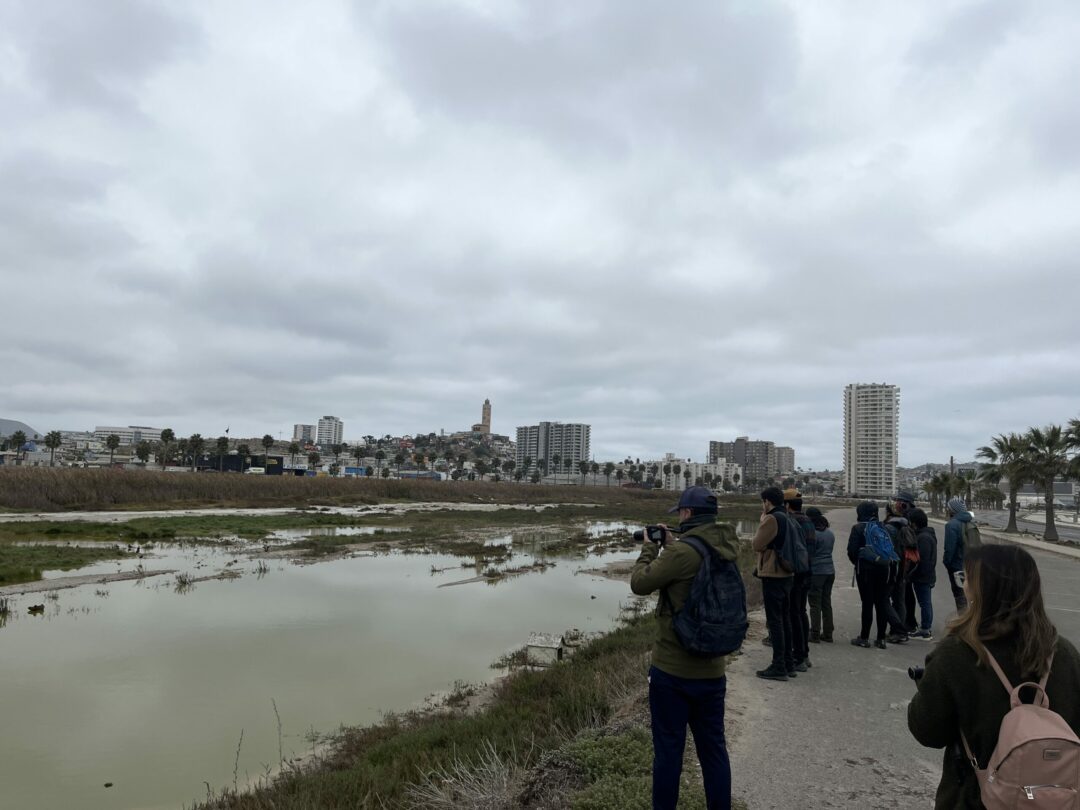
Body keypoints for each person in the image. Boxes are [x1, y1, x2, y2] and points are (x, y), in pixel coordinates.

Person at [908, 544, 1080, 808]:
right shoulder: (1064, 653)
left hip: (973, 797)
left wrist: (928, 685)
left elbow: (928, 732)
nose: (963, 586)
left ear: (981, 592)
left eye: (966, 579)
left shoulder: (957, 654)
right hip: (1052, 799)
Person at [630, 485, 741, 810]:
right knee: (714, 752)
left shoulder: (681, 554)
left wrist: (651, 549)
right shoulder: (726, 547)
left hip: (672, 672)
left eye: (680, 512)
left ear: (688, 514)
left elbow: (640, 584)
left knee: (668, 752)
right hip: (713, 671)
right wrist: (675, 544)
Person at [751, 486, 796, 681]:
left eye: (763, 502)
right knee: (785, 619)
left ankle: (778, 665)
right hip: (787, 574)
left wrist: (763, 518)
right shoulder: (786, 516)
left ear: (767, 501)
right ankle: (788, 663)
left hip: (773, 573)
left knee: (775, 621)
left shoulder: (771, 518)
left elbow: (756, 544)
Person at [847, 500, 891, 649]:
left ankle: (864, 637)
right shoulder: (883, 527)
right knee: (882, 603)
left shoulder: (858, 528)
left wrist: (858, 562)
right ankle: (881, 639)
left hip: (865, 570)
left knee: (867, 603)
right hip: (884, 569)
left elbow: (852, 551)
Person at [785, 488, 815, 670]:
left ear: (787, 505)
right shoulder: (808, 521)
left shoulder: (791, 522)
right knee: (801, 612)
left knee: (793, 614)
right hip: (808, 572)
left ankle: (798, 657)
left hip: (795, 574)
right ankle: (804, 653)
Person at [882, 495, 915, 643]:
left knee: (883, 600)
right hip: (903, 569)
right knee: (899, 601)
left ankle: (898, 631)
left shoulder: (889, 528)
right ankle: (899, 630)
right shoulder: (906, 525)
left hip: (892, 569)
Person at [805, 506, 835, 643]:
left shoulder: (813, 534)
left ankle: (815, 633)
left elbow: (810, 554)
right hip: (830, 570)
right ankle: (828, 633)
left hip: (817, 572)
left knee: (814, 603)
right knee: (826, 602)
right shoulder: (830, 533)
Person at [907, 508, 937, 640]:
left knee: (925, 602)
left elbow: (922, 560)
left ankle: (925, 630)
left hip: (923, 577)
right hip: (926, 575)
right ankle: (926, 627)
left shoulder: (923, 538)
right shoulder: (927, 534)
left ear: (914, 523)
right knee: (925, 602)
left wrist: (913, 574)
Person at [943, 497, 972, 610]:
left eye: (948, 507)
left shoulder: (952, 525)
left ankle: (963, 622)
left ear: (952, 510)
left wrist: (947, 563)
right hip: (970, 564)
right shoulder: (970, 523)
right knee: (971, 594)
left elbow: (949, 549)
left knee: (959, 595)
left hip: (957, 566)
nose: (947, 509)